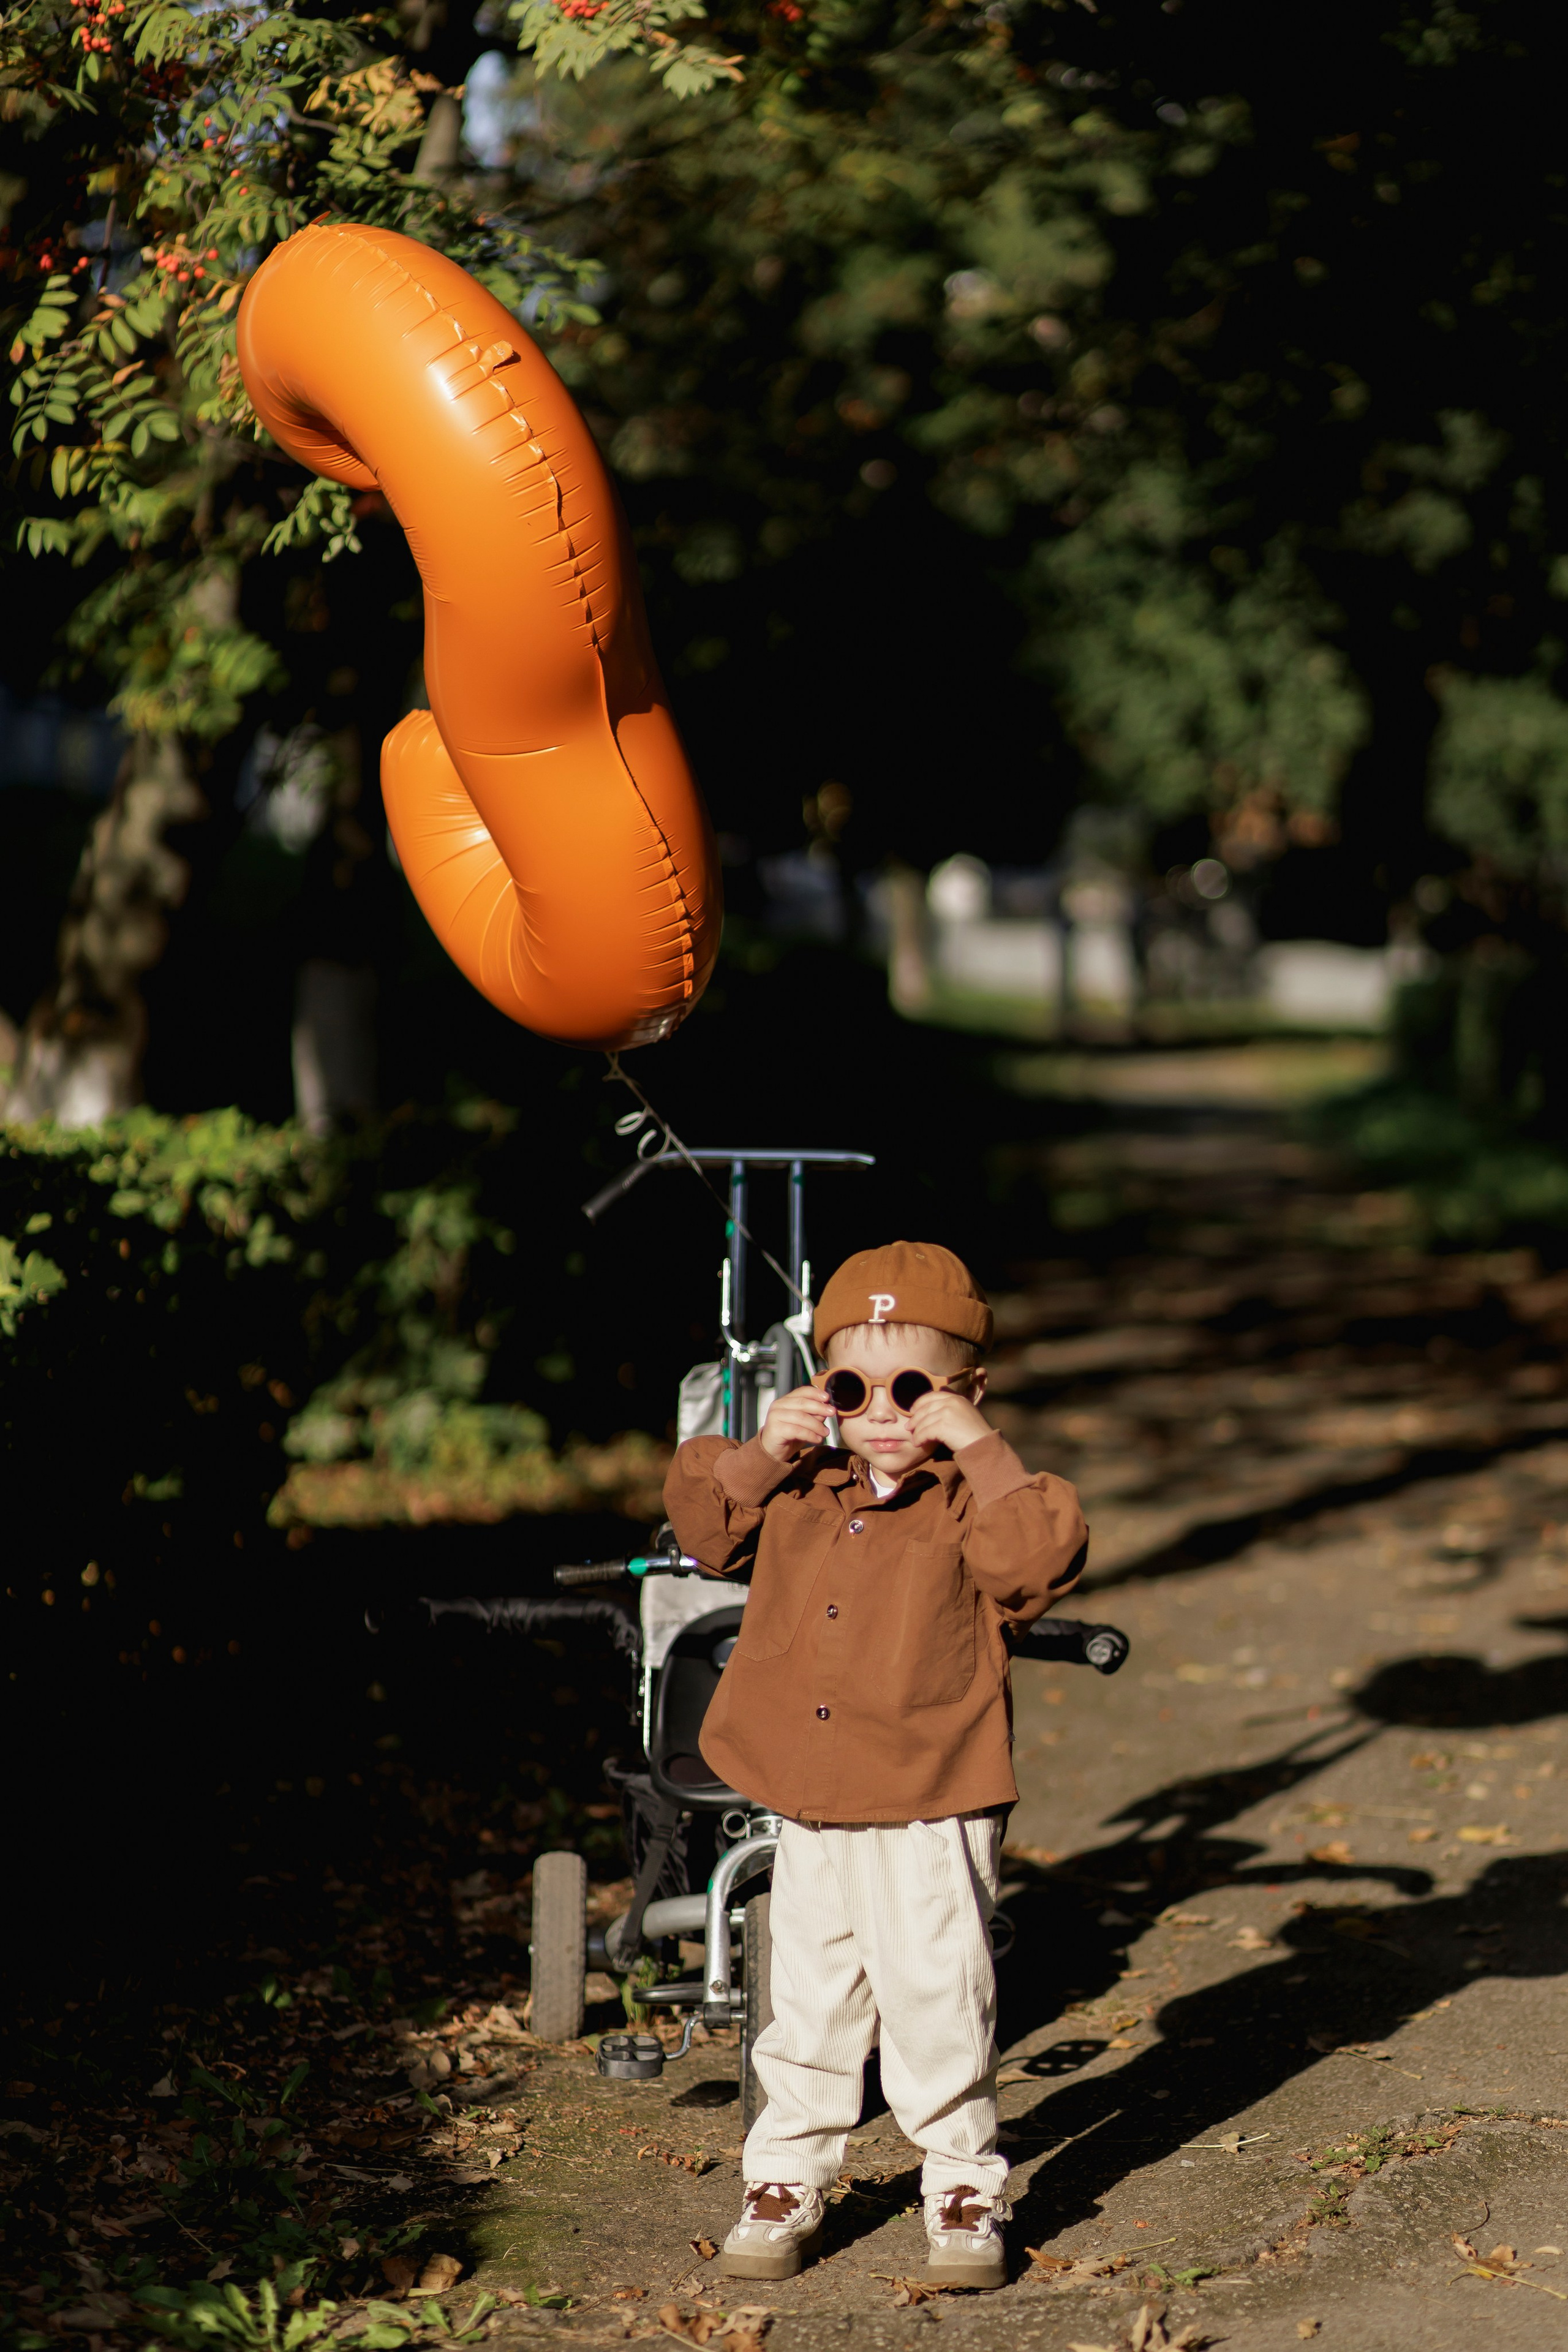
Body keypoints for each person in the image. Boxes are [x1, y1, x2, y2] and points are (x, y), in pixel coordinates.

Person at [663, 1240, 1088, 2289]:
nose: (885, 1410)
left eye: (915, 1388)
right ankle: (787, 2175)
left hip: (929, 1796)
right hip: (810, 1792)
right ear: (825, 1389)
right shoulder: (800, 1486)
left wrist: (981, 1448)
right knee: (809, 1997)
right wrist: (769, 1447)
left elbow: (1036, 1565)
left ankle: (960, 2181)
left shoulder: (973, 1496)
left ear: (968, 1391)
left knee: (935, 1992)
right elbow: (702, 1527)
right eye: (855, 1385)